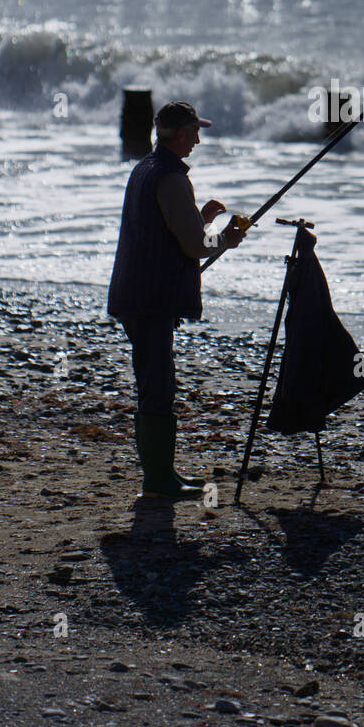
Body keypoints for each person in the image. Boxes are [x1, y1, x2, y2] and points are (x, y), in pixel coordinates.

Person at [108, 100, 246, 497]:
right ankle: (158, 481)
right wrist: (225, 239)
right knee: (157, 384)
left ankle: (160, 476)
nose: (199, 140)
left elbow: (165, 230)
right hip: (150, 297)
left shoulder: (145, 168)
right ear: (181, 133)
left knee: (155, 380)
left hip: (137, 291)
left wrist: (201, 219)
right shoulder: (170, 177)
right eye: (196, 132)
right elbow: (192, 247)